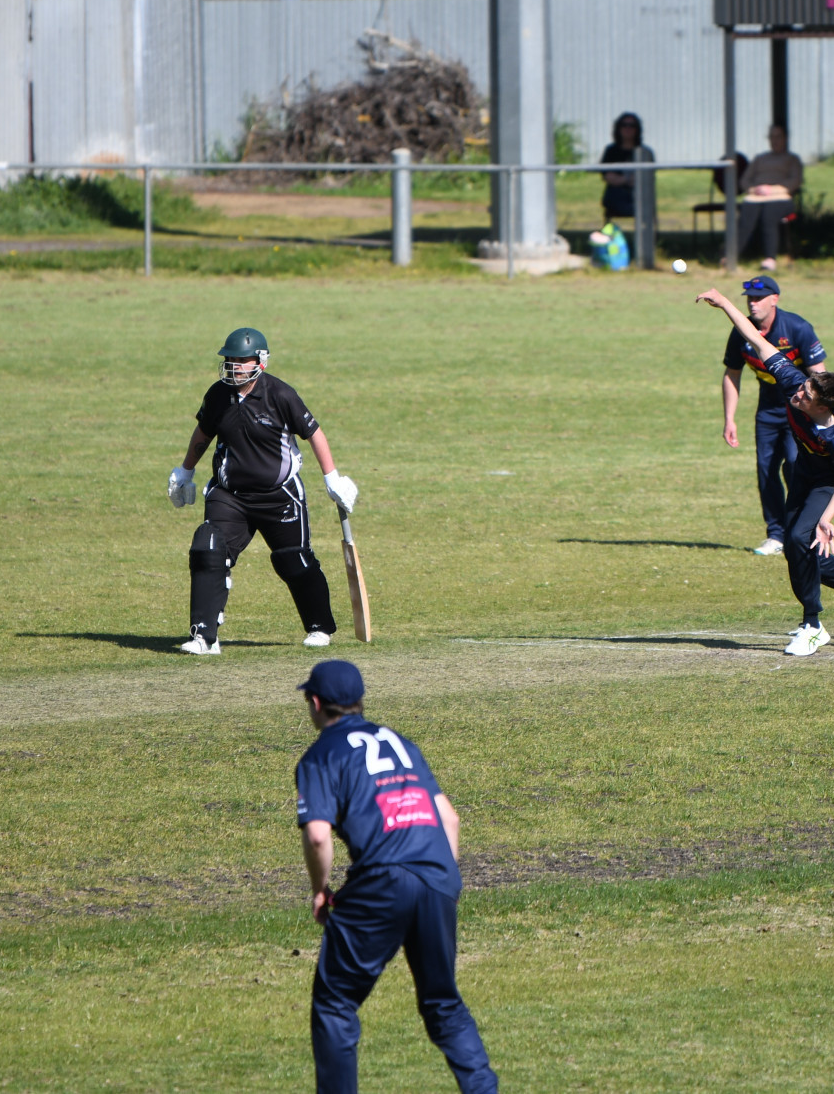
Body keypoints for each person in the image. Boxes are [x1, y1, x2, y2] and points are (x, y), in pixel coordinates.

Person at [294, 660, 498, 1094]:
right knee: (443, 1003)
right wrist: (446, 881)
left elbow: (317, 837)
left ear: (315, 703)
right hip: (437, 877)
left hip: (381, 882)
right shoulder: (399, 742)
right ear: (359, 701)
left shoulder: (321, 755)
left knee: (335, 1004)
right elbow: (449, 819)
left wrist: (320, 891)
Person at [697, 287, 834, 655]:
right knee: (795, 548)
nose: (798, 394)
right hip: (805, 467)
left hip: (829, 479)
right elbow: (756, 339)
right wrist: (724, 304)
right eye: (802, 387)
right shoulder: (794, 382)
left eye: (806, 396)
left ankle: (813, 624)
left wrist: (828, 518)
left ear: (822, 406)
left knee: (802, 538)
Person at [168, 327, 359, 654]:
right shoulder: (217, 396)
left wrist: (333, 478)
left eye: (242, 360)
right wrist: (184, 472)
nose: (234, 366)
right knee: (208, 548)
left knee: (294, 561)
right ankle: (204, 636)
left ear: (261, 362)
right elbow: (203, 434)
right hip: (230, 497)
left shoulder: (281, 395)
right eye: (230, 359)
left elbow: (314, 433)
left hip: (279, 495)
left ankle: (319, 627)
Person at [720, 275, 827, 556]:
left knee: (794, 463)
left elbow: (820, 374)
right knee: (766, 470)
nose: (752, 304)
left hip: (799, 408)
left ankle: (802, 529)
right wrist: (729, 418)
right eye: (749, 298)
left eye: (758, 298)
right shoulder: (741, 332)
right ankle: (776, 535)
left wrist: (823, 412)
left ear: (775, 299)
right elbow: (732, 374)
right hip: (767, 408)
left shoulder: (797, 328)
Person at [735, 124, 804, 270]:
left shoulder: (792, 159)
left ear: (785, 138)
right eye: (772, 137)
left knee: (768, 217)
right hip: (755, 197)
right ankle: (730, 256)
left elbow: (795, 181)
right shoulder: (760, 159)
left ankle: (770, 258)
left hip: (780, 198)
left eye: (778, 137)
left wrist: (771, 190)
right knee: (745, 220)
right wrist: (754, 189)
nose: (775, 140)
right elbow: (744, 181)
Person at [598, 111, 654, 225]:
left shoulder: (645, 152)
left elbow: (646, 178)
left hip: (639, 195)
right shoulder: (611, 151)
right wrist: (628, 179)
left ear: (637, 129)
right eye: (624, 125)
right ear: (618, 128)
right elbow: (608, 176)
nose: (628, 128)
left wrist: (622, 179)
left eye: (632, 125)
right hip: (616, 196)